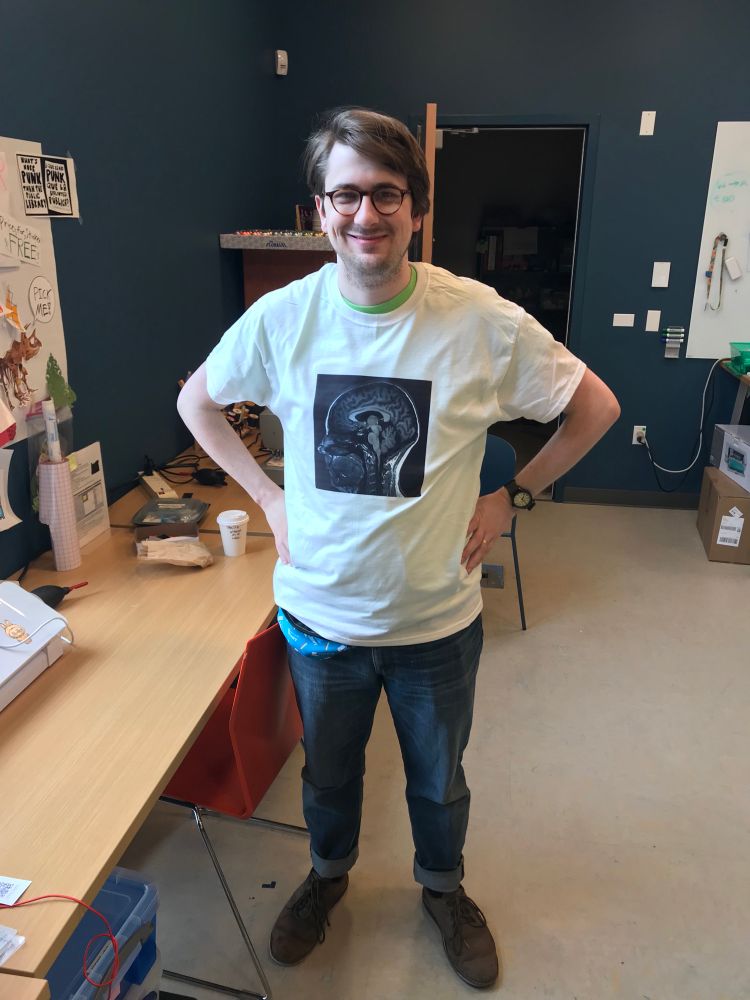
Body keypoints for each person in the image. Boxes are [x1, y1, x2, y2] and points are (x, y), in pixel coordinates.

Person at [177, 107, 620, 990]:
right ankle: (328, 877)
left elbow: (594, 407)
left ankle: (444, 891)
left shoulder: (477, 319)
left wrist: (512, 496)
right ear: (319, 209)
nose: (365, 215)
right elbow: (198, 401)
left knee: (437, 782)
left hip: (436, 623)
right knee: (329, 779)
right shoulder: (285, 316)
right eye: (346, 195)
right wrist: (266, 496)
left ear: (417, 207)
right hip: (321, 615)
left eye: (386, 194)